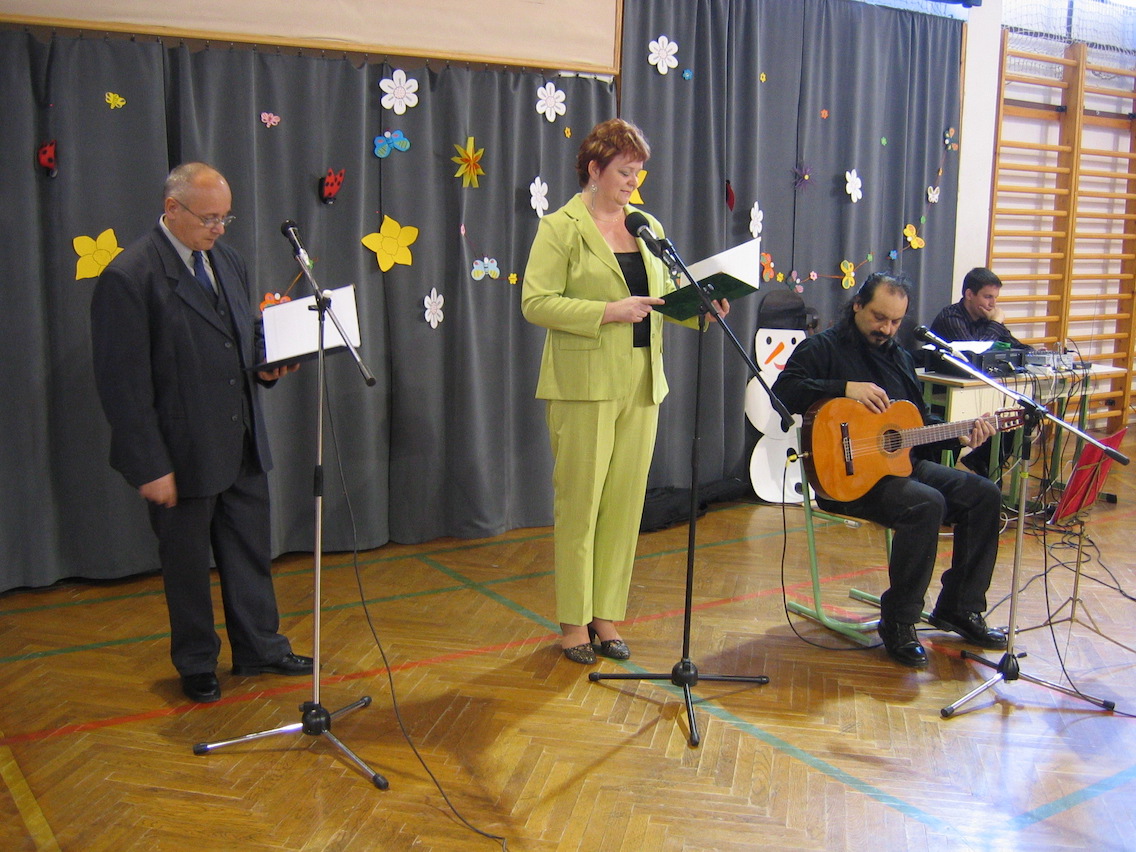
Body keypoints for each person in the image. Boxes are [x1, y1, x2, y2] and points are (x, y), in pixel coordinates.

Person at [91, 162, 312, 703]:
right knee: (187, 567)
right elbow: (122, 386)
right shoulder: (130, 276)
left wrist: (266, 366)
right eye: (209, 218)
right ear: (172, 209)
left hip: (240, 442)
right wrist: (149, 465)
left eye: (225, 218)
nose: (218, 228)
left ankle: (260, 647)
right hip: (180, 452)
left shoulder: (228, 261)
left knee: (250, 552)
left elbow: (239, 338)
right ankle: (195, 662)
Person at [521, 118, 728, 664]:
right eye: (624, 172)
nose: (633, 182)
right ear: (594, 169)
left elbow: (662, 299)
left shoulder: (646, 225)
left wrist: (700, 308)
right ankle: (573, 623)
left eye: (638, 172)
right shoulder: (560, 227)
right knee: (580, 506)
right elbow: (535, 303)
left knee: (623, 506)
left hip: (641, 382)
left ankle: (606, 616)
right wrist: (607, 311)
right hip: (583, 385)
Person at [771, 272, 1008, 668]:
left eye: (896, 321)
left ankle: (960, 608)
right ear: (857, 305)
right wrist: (844, 388)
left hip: (901, 468)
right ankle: (898, 621)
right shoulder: (822, 348)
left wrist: (961, 435)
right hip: (847, 480)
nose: (887, 329)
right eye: (879, 317)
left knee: (984, 494)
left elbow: (916, 427)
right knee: (926, 503)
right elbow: (782, 392)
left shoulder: (900, 357)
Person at [930, 267, 1029, 348]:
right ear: (969, 295)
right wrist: (995, 323)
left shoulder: (986, 316)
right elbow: (973, 355)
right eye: (988, 297)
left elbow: (1017, 346)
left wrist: (1032, 354)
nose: (993, 304)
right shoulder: (950, 317)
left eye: (995, 297)